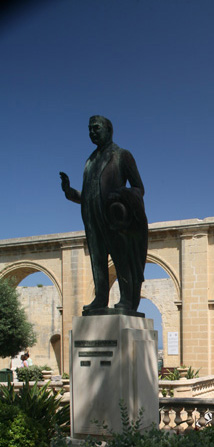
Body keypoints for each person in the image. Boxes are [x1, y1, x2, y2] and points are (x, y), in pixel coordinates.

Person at [60, 116, 148, 314]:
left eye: (96, 128)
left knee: (121, 259)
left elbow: (139, 188)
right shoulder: (89, 162)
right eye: (89, 129)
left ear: (109, 130)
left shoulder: (122, 155)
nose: (92, 132)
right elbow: (90, 195)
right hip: (92, 220)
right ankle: (100, 298)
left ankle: (126, 299)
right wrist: (70, 192)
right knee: (97, 260)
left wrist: (122, 194)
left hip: (114, 218)